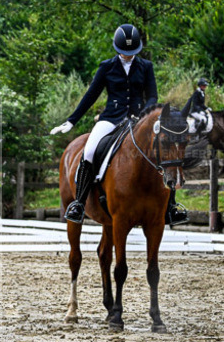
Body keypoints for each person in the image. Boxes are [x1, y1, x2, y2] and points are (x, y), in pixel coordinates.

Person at [49, 24, 185, 225]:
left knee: (164, 151)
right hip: (111, 119)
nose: (128, 56)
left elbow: (153, 95)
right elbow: (91, 95)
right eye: (124, 53)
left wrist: (145, 115)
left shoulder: (146, 67)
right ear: (117, 49)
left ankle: (172, 205)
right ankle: (79, 203)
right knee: (89, 151)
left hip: (138, 120)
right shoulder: (106, 66)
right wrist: (71, 120)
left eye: (132, 53)